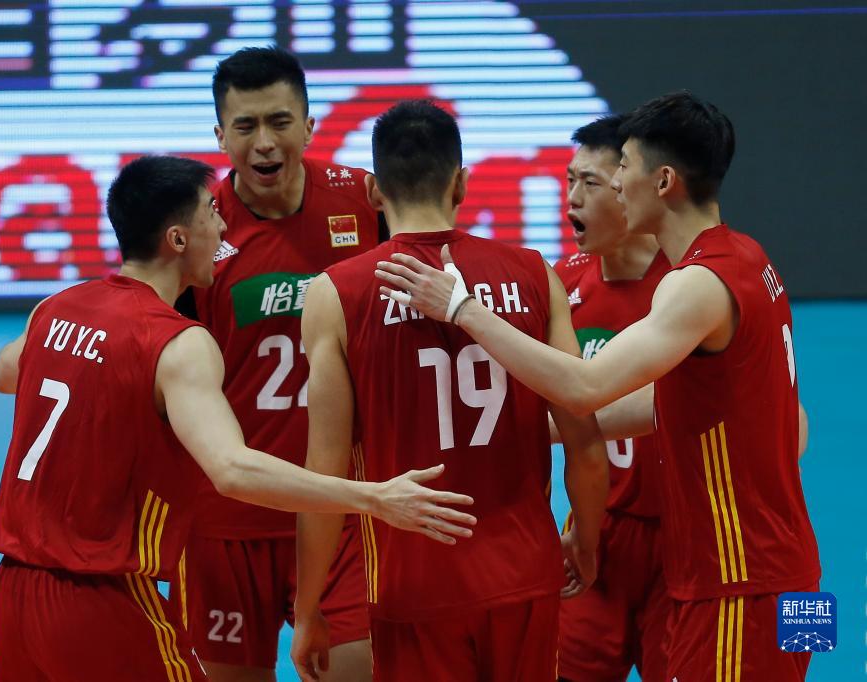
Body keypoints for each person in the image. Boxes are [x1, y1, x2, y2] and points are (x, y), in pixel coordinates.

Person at [376, 91, 821, 681]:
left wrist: (462, 308)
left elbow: (585, 387)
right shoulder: (748, 257)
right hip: (783, 572)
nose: (613, 185)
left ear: (663, 182)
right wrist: (527, 430)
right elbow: (670, 404)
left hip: (741, 578)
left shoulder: (695, 284)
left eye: (622, 170)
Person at [0, 155, 475, 682]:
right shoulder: (176, 342)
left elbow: (5, 374)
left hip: (15, 594)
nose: (222, 226)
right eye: (209, 213)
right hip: (102, 598)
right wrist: (374, 497)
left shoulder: (56, 307)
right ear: (178, 239)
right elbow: (232, 470)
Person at [291, 99, 609, 682]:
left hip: (413, 583)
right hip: (523, 574)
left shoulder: (336, 293)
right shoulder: (534, 274)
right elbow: (585, 442)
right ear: (461, 183)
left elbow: (325, 473)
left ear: (373, 192)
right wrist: (585, 541)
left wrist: (309, 606)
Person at [171, 46, 383, 682]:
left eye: (280, 122)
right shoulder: (198, 231)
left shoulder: (365, 202)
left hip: (339, 508)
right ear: (220, 136)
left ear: (310, 125)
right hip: (226, 521)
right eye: (245, 126)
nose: (264, 143)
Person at [555, 114, 671, 682]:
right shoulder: (562, 284)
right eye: (568, 181)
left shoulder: (691, 284)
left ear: (629, 190)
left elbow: (787, 420)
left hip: (686, 538)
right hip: (596, 530)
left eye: (591, 183)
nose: (572, 199)